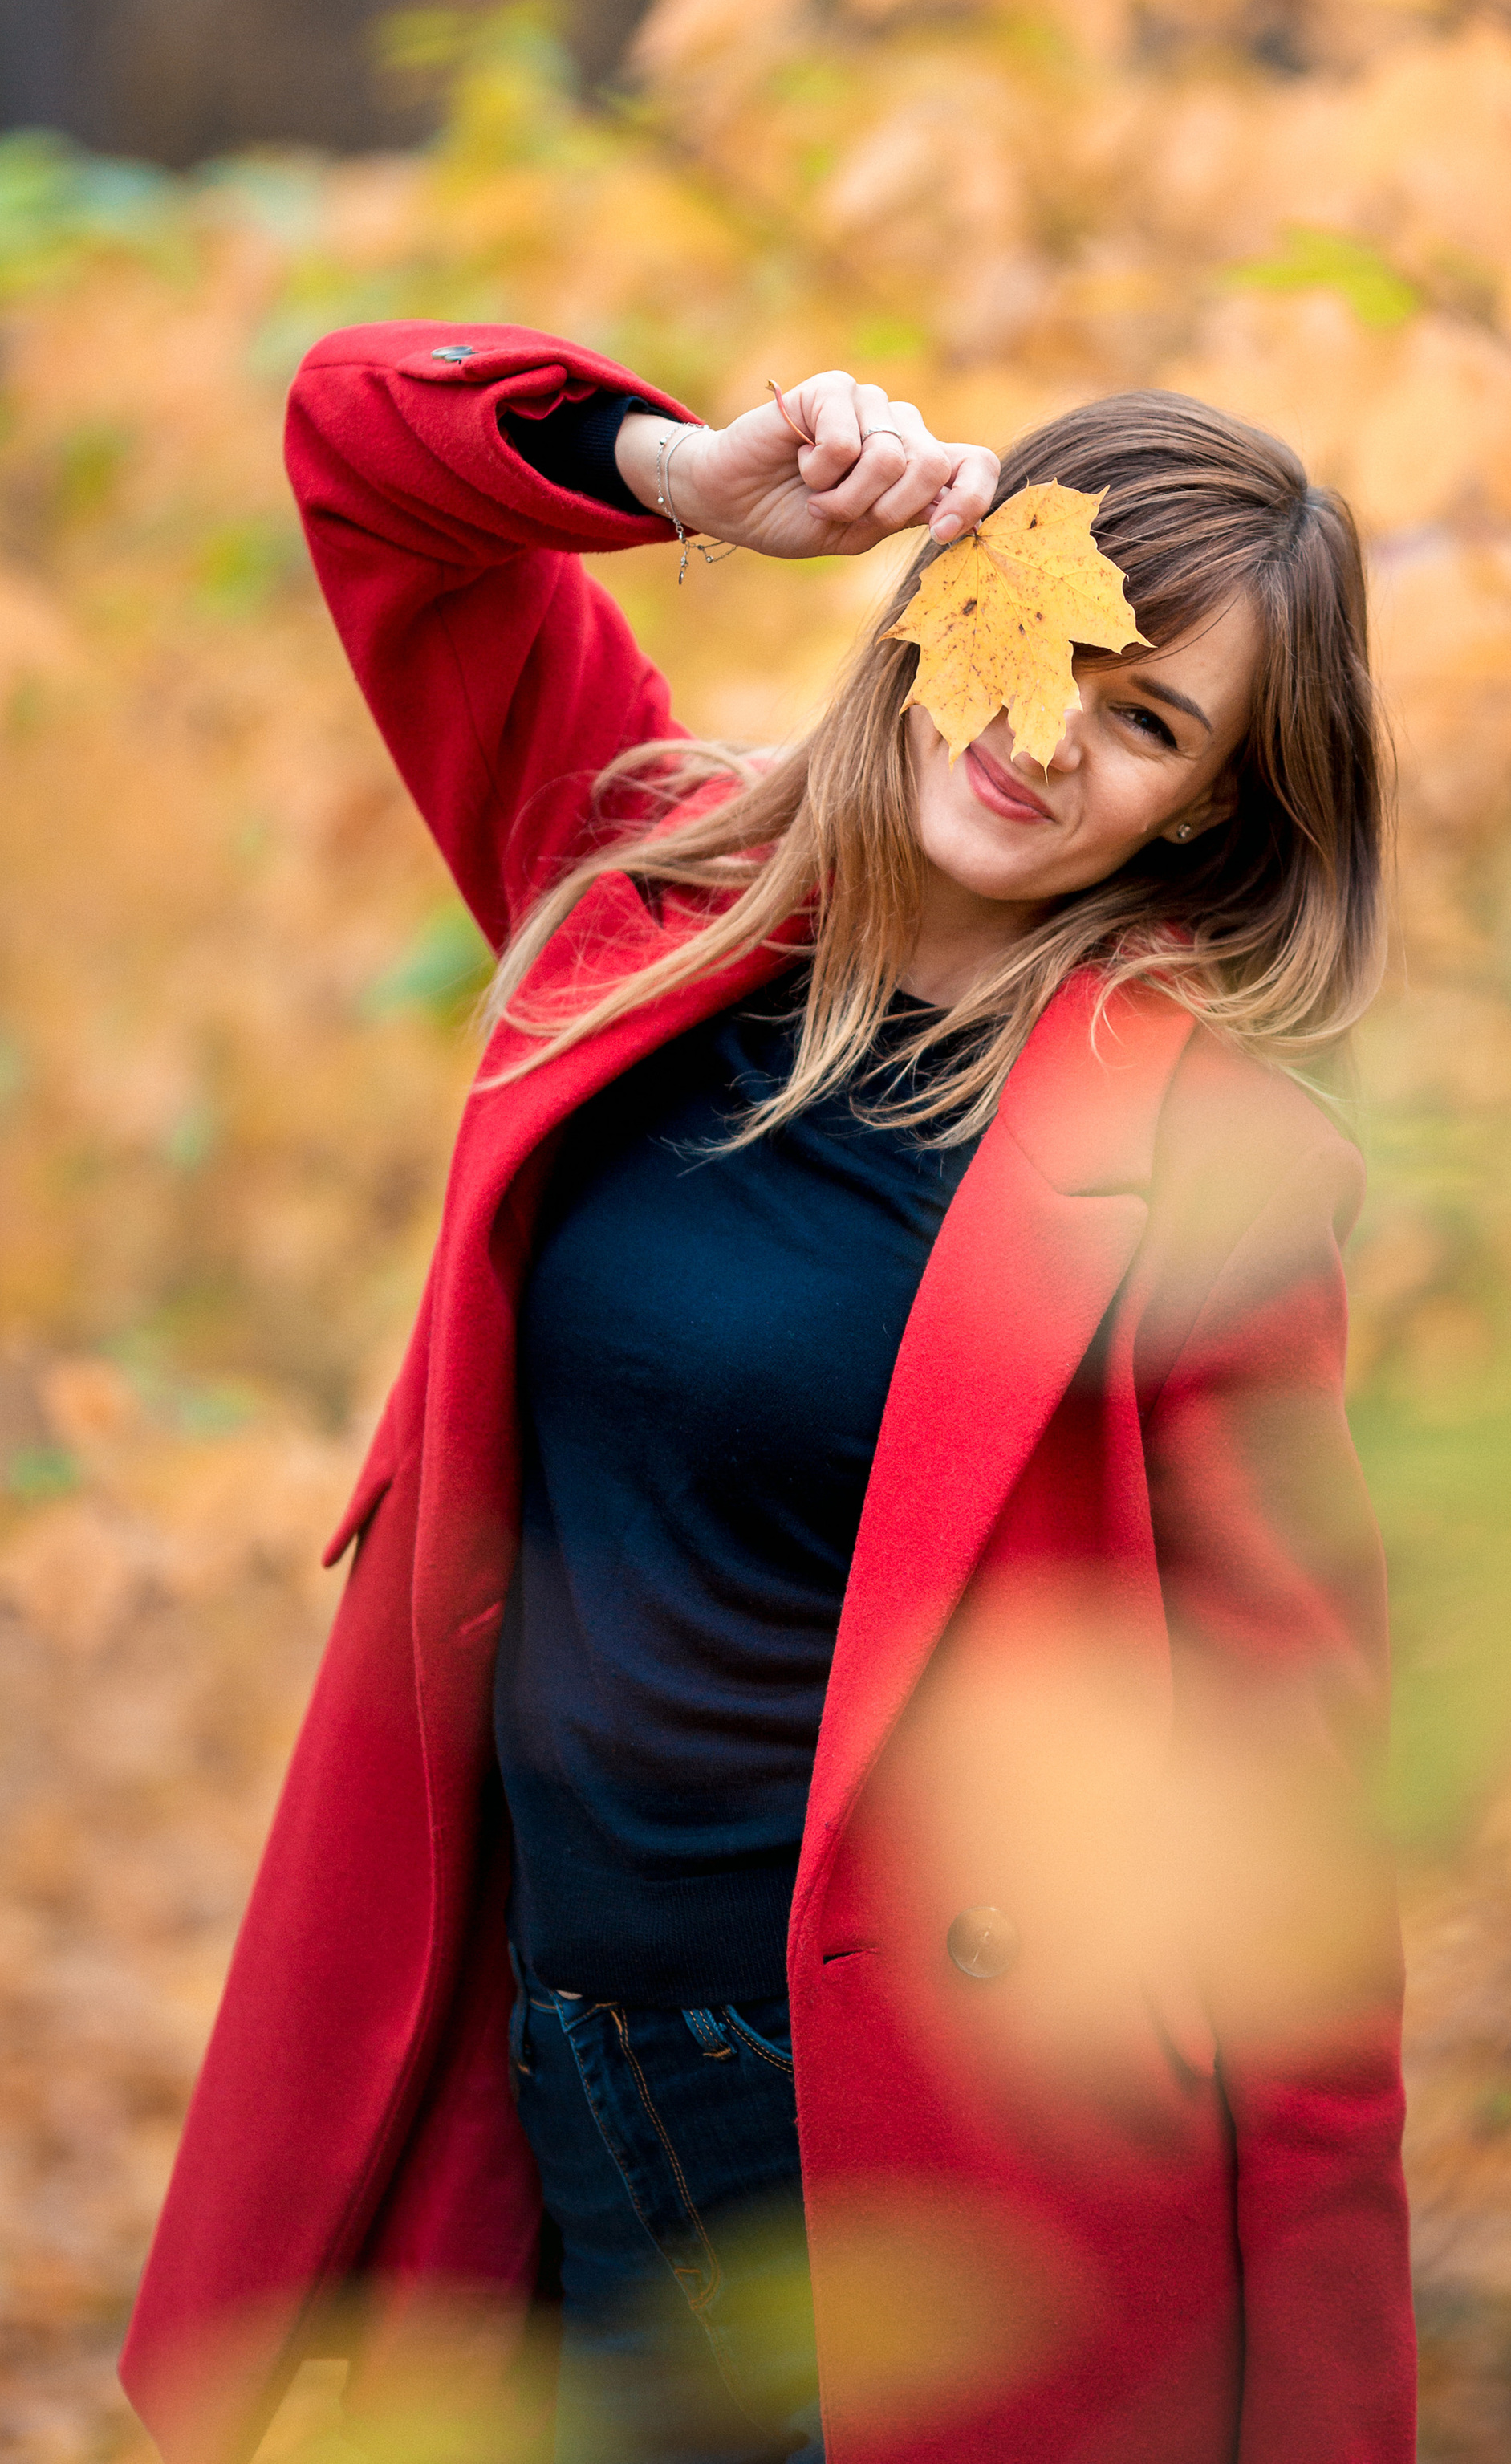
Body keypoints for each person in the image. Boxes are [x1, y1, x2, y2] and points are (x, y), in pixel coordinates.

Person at [120, 323, 1415, 2464]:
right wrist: (684, 479)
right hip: (540, 2086)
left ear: (1212, 810)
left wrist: (1334, 2420)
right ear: (940, 589)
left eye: (1151, 719)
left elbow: (1284, 1854)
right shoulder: (639, 894)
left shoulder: (1206, 1182)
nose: (1044, 734)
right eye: (1040, 633)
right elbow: (362, 443)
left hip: (903, 2181)